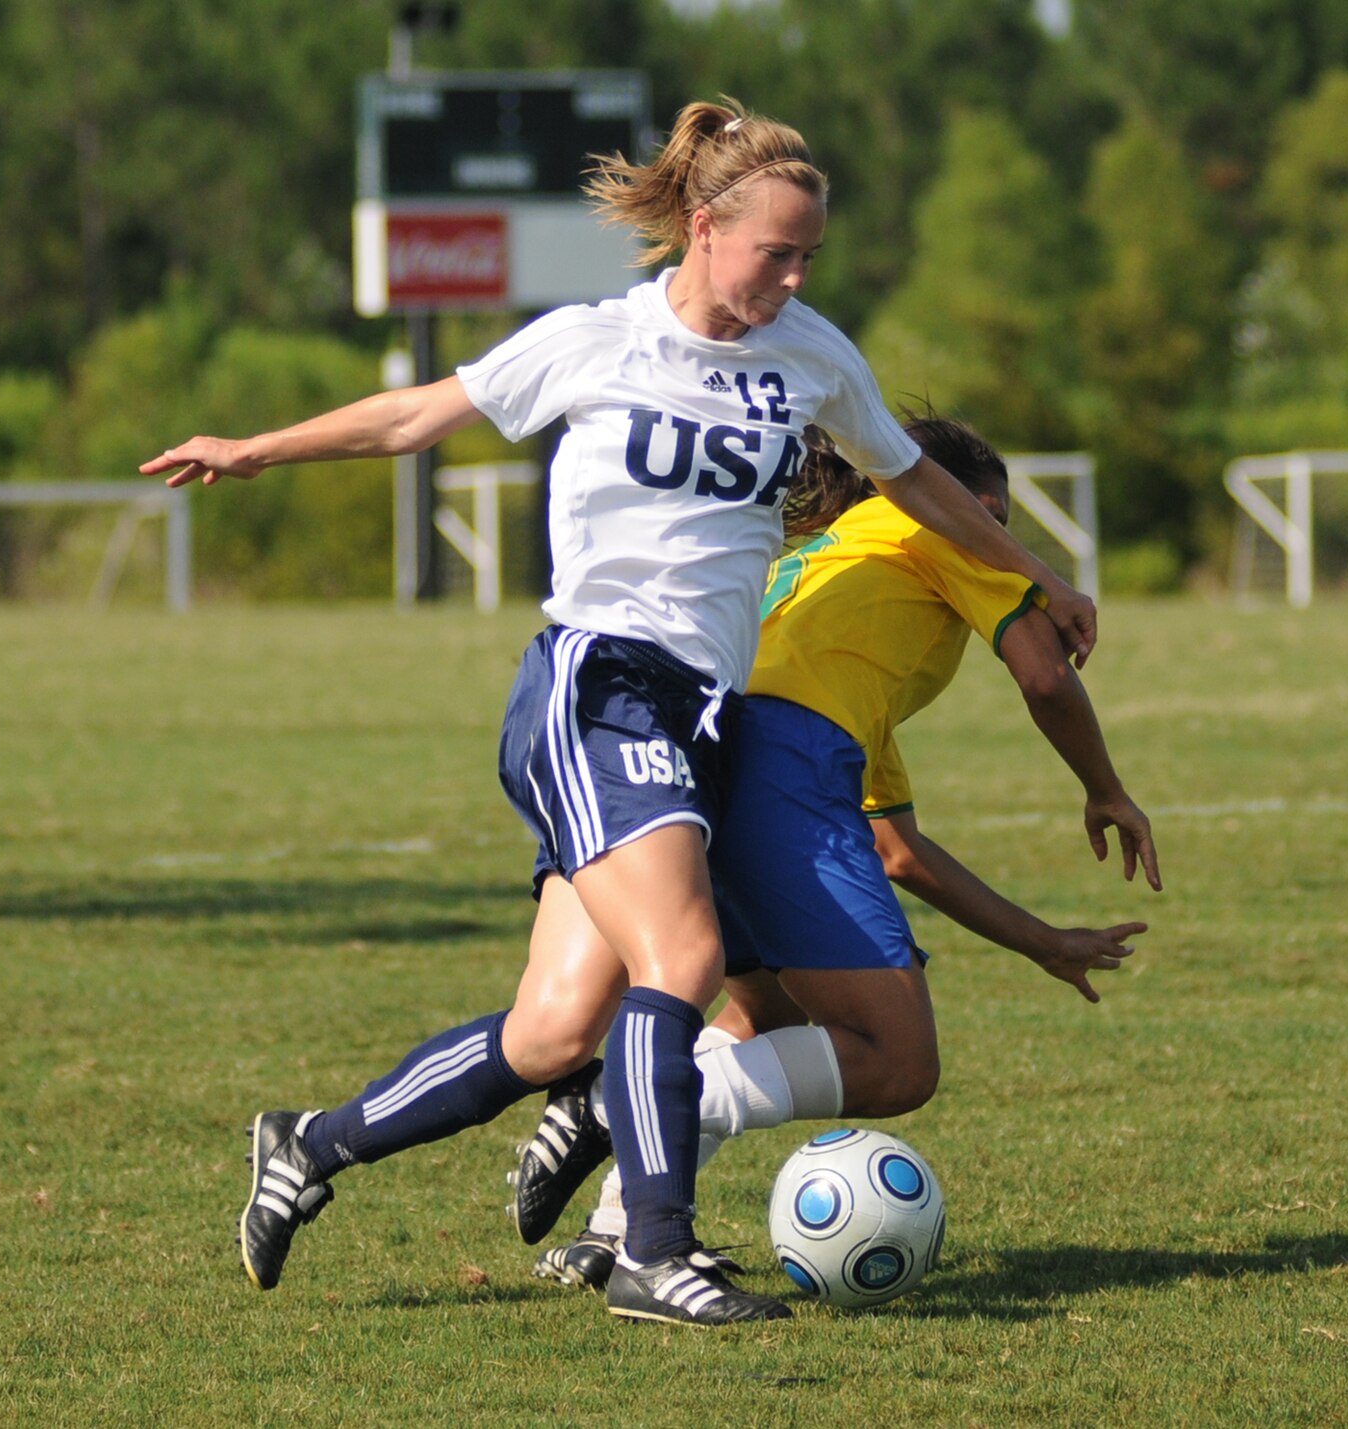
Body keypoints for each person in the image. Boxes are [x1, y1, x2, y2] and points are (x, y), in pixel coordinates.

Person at [140, 98, 1097, 1327]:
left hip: (698, 714)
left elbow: (916, 487)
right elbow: (410, 417)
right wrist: (256, 449)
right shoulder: (595, 341)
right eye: (775, 252)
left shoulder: (814, 357)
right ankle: (654, 1249)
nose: (794, 276)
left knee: (551, 1031)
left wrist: (1040, 579)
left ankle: (306, 1145)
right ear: (704, 228)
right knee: (684, 960)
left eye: (809, 256)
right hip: (598, 683)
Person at [507, 415, 1161, 1290]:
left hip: (699, 754)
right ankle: (630, 1099)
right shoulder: (936, 521)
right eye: (993, 515)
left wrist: (1042, 940)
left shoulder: (838, 589)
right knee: (897, 1059)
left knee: (764, 1012)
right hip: (783, 763)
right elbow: (1045, 674)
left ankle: (616, 1228)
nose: (1000, 540)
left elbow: (898, 848)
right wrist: (1105, 787)